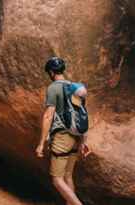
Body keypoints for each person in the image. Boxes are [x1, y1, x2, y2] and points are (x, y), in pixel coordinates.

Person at [36, 57, 90, 205]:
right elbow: (83, 114)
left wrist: (41, 143)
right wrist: (83, 142)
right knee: (68, 176)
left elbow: (48, 115)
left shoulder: (54, 87)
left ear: (52, 72)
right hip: (76, 137)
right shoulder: (74, 87)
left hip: (62, 137)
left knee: (56, 179)